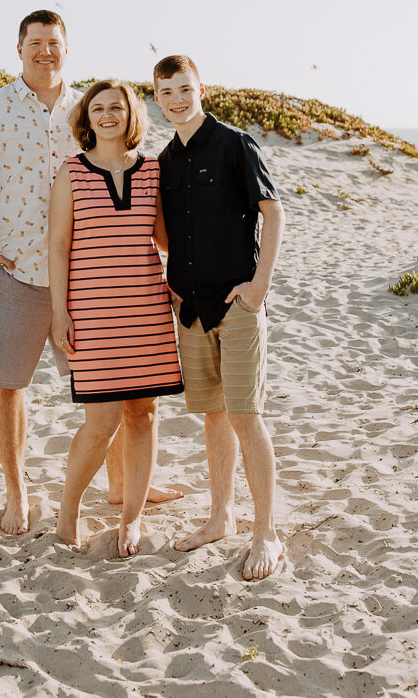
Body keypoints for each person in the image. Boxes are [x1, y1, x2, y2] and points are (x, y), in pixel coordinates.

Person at [0, 11, 179, 535]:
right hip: (17, 270)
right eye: (35, 43)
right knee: (11, 387)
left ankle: (123, 486)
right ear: (18, 49)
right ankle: (18, 494)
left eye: (53, 43)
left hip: (93, 279)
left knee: (122, 391)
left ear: (66, 47)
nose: (45, 52)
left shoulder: (87, 109)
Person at [154, 55, 286, 581]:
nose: (177, 100)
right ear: (157, 99)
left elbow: (272, 212)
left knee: (244, 416)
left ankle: (267, 534)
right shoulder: (165, 158)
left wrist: (259, 287)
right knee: (212, 415)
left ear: (201, 88)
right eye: (166, 93)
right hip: (189, 308)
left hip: (236, 304)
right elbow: (167, 232)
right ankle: (221, 515)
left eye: (185, 89)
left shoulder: (234, 143)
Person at [50, 81, 183, 556]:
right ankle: (68, 513)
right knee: (101, 421)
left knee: (143, 415)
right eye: (99, 108)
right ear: (87, 118)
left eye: (117, 108)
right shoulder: (70, 172)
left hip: (146, 309)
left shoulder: (151, 170)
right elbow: (59, 246)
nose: (108, 115)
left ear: (132, 116)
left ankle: (132, 517)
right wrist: (59, 311)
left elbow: (167, 238)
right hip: (92, 311)